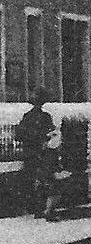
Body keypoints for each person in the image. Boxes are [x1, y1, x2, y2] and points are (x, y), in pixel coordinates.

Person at [16, 88, 61, 221]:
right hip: (40, 153)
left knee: (35, 181)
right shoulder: (44, 117)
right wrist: (43, 138)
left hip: (31, 153)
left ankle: (38, 210)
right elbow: (50, 134)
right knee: (46, 181)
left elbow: (19, 135)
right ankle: (45, 210)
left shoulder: (27, 117)